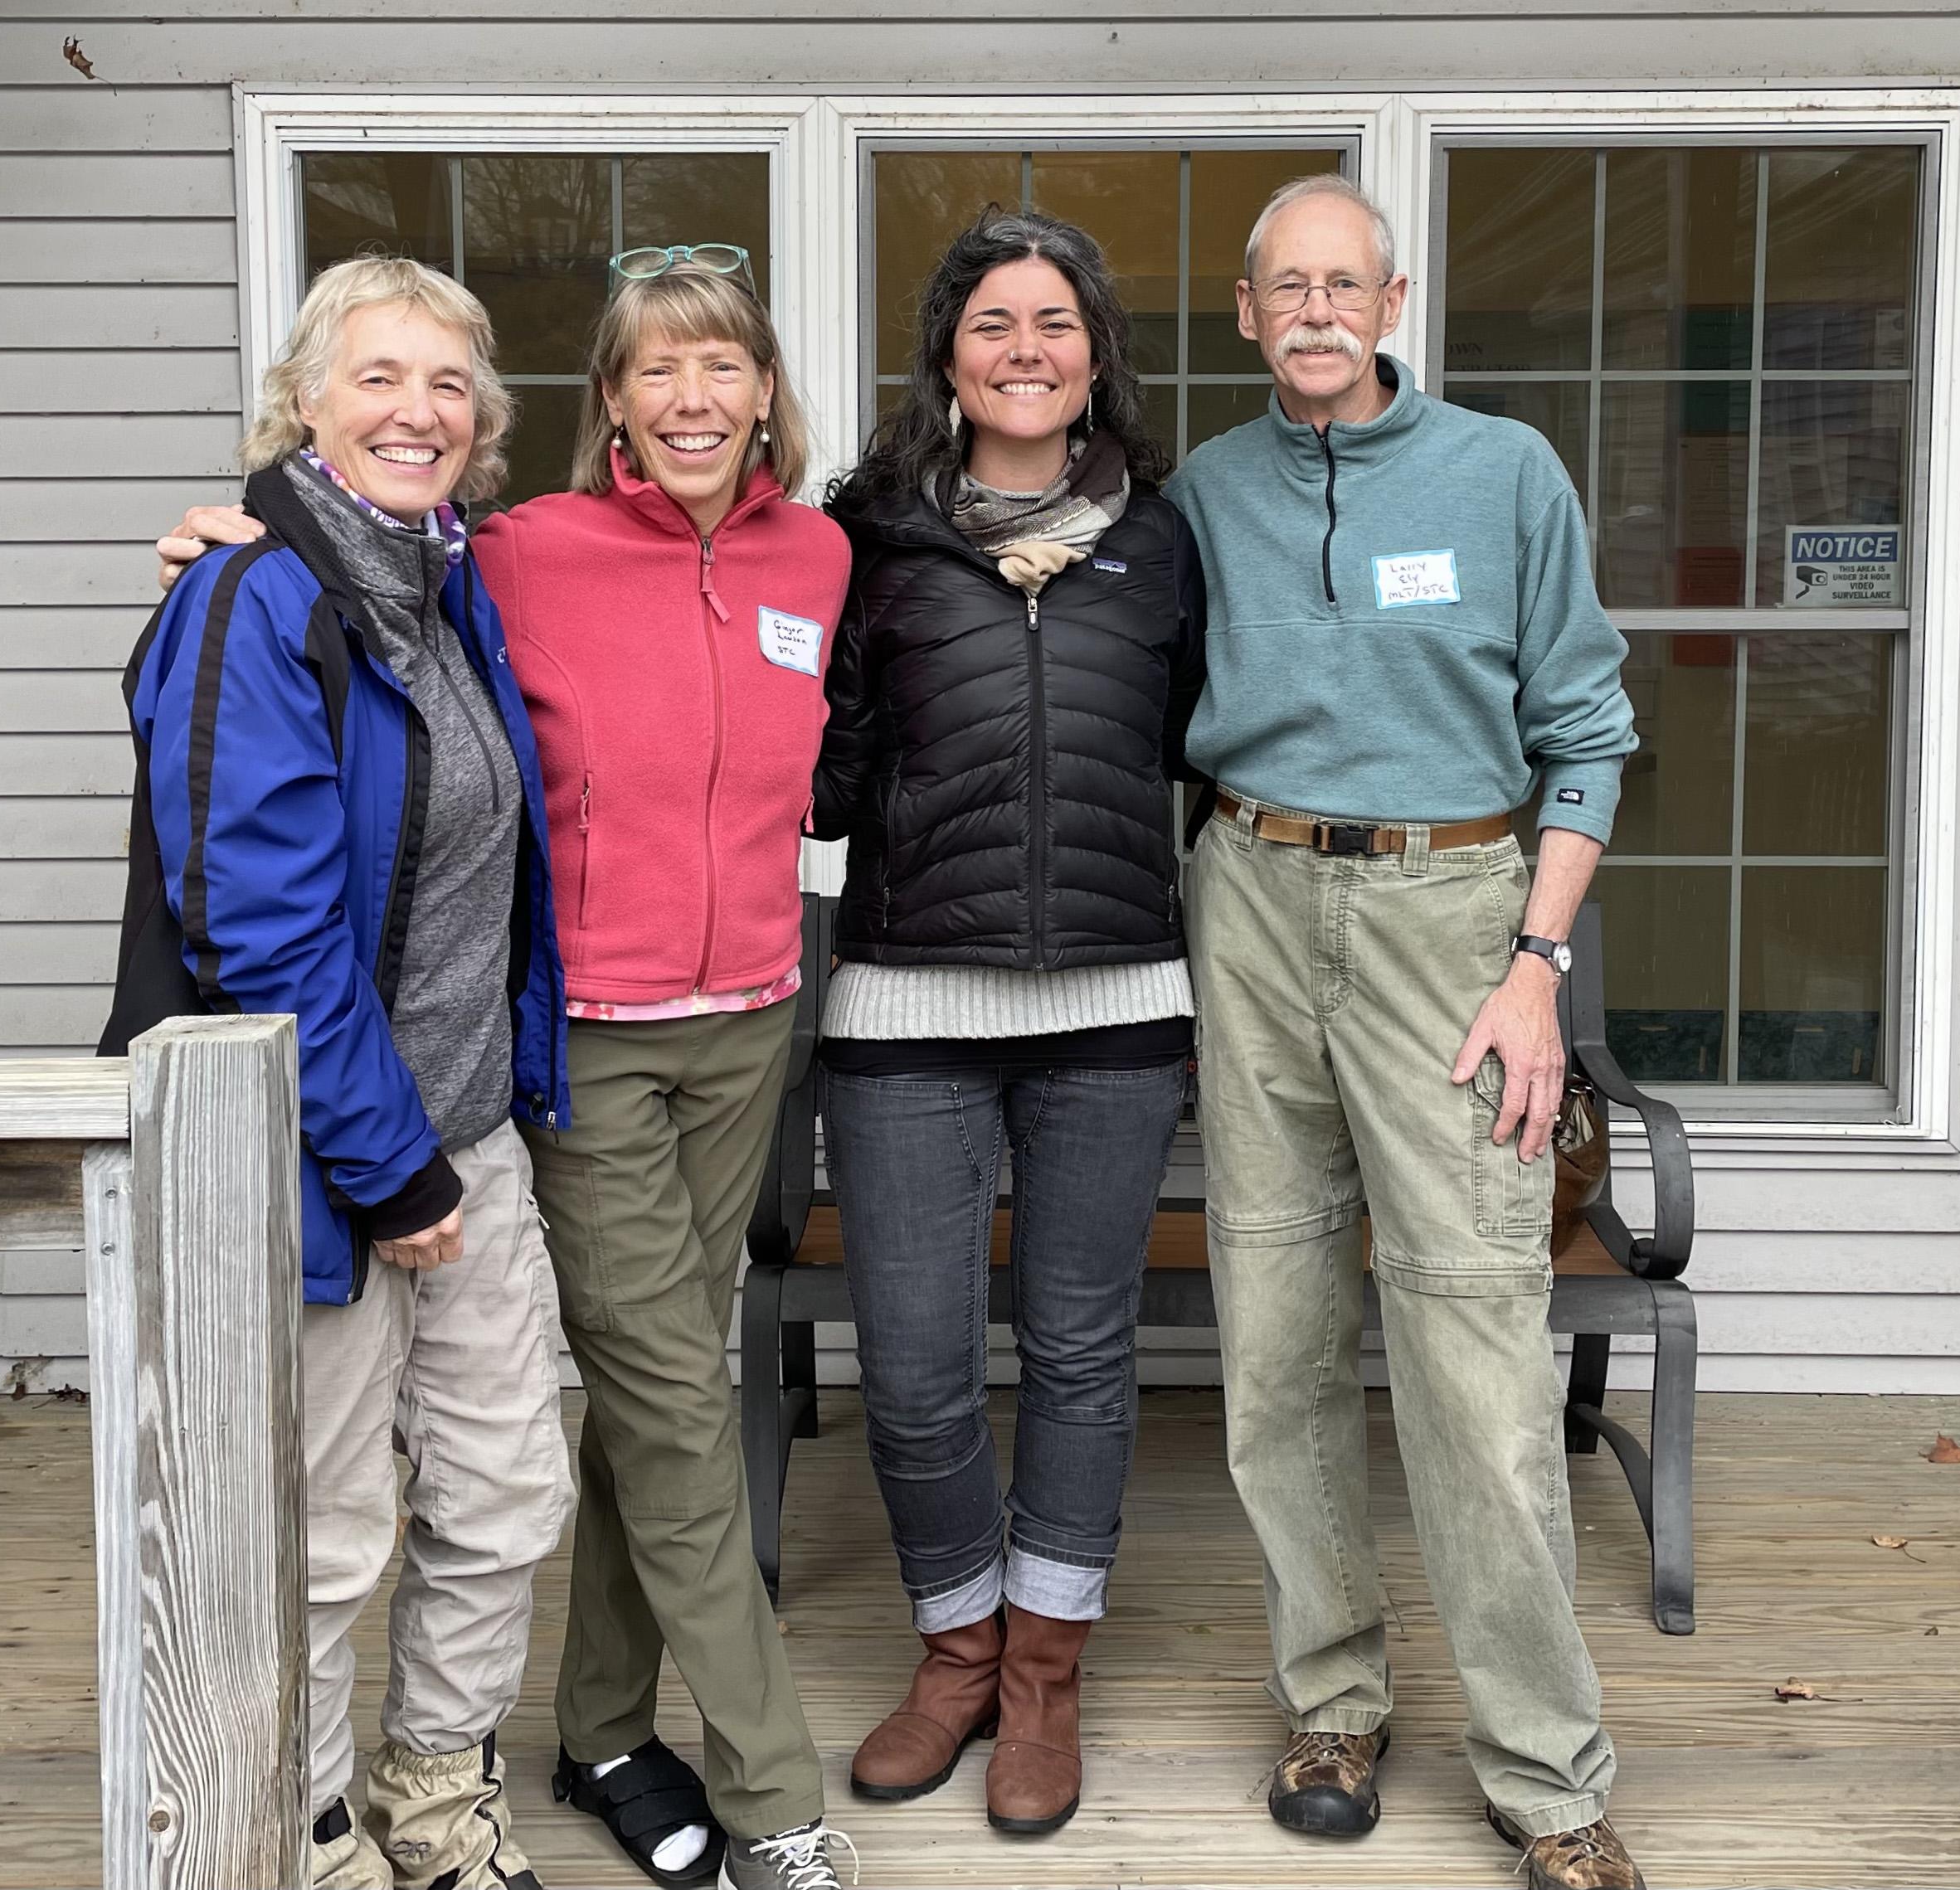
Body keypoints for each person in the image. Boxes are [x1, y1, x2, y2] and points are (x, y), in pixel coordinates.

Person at [153, 254, 858, 1890]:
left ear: (764, 391)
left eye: (724, 366)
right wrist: (221, 537)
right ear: (606, 403)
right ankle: (769, 1791)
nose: (693, 398)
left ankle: (584, 1728)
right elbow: (313, 608)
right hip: (559, 1059)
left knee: (611, 1415)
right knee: (671, 1406)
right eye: (655, 371)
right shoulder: (506, 556)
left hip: (722, 1028)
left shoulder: (808, 556)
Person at [1165, 173, 1649, 1890]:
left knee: (1472, 1347)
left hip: (1453, 923)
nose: (1313, 310)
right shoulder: (1204, 493)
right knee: (1278, 1320)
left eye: (1342, 284)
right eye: (1283, 286)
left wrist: (1535, 963)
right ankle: (1334, 1698)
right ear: (1244, 310)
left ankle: (1548, 1773)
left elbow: (1587, 731)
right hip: (1248, 894)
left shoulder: (1503, 472)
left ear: (1392, 299)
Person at [106, 255, 573, 1890]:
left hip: (462, 1131)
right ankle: (306, 1837)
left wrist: (468, 1137)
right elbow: (254, 927)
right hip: (321, 1159)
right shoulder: (253, 594)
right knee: (314, 1537)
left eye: (449, 385)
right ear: (307, 402)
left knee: (509, 1490)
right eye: (378, 378)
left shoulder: (440, 588)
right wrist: (394, 1171)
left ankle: (436, 1795)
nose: (417, 412)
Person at [811, 207, 1202, 1836]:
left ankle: (1046, 1663)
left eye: (1055, 322)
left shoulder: (1170, 539)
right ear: (948, 355)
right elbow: (802, 744)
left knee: (1080, 1353)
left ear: (1094, 352)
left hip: (1115, 1003)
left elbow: (1240, 720)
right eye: (994, 325)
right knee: (909, 1365)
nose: (1026, 350)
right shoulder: (862, 538)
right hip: (907, 1000)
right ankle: (955, 1643)